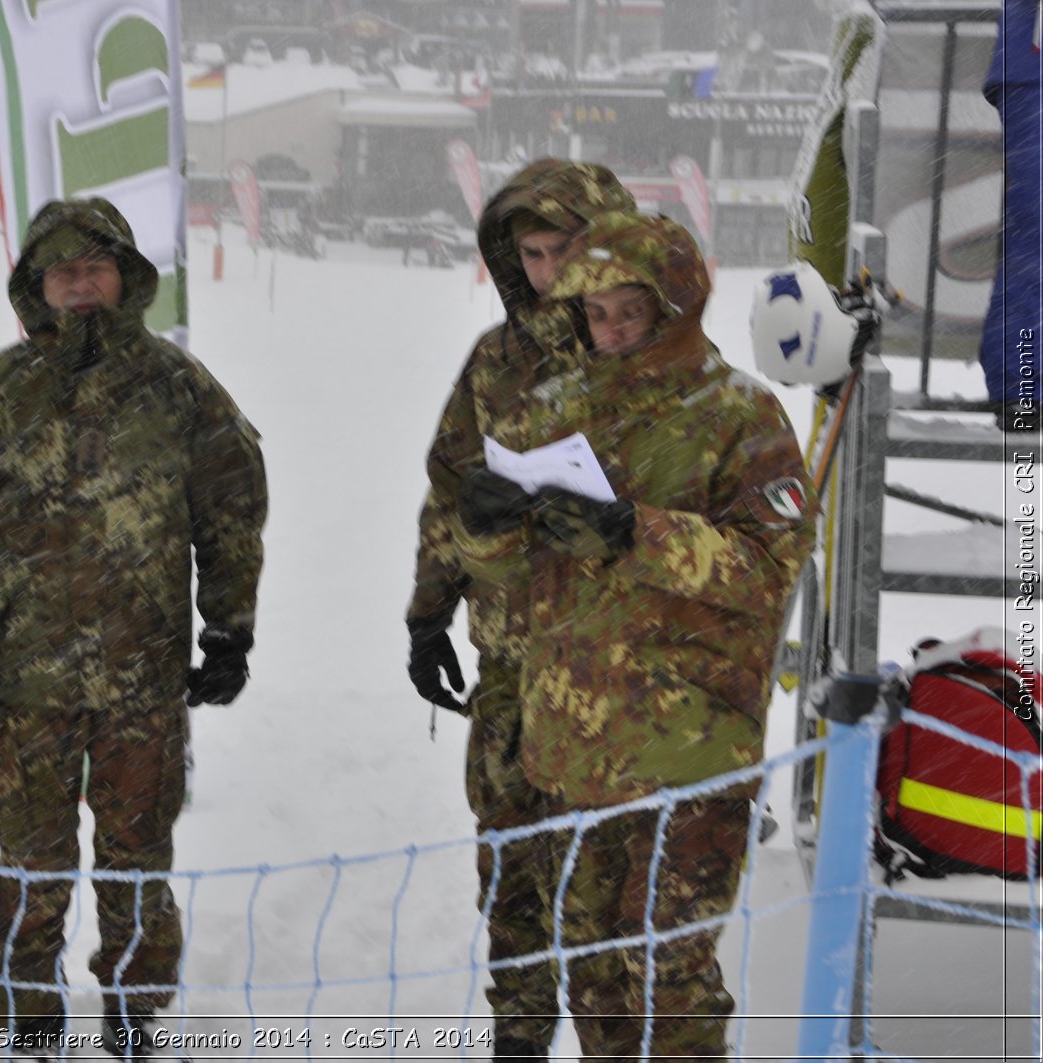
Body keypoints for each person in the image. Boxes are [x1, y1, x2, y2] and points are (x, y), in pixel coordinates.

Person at [0, 197, 267, 1058]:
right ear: (37, 285)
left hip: (143, 677)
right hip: (24, 678)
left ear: (124, 277)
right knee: (31, 857)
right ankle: (28, 1016)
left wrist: (229, 630)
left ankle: (136, 1010)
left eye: (94, 267)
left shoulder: (177, 387)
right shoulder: (1, 390)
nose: (79, 284)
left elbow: (231, 510)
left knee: (138, 856)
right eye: (61, 271)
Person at [522, 212, 814, 1060]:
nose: (609, 330)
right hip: (576, 748)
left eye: (629, 311)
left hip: (689, 746)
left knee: (670, 972)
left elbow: (769, 567)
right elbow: (515, 569)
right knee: (592, 970)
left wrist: (634, 533)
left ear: (675, 306)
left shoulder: (742, 417)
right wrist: (486, 526)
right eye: (594, 312)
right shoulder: (556, 410)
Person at [405, 157, 635, 1062]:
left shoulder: (647, 352)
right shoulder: (496, 361)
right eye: (531, 254)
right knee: (513, 875)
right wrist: (430, 611)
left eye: (563, 248)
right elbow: (448, 488)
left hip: (621, 671)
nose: (546, 272)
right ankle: (520, 1041)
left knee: (612, 892)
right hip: (510, 660)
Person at [980, 0, 1041, 432]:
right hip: (1033, 66)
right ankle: (1019, 387)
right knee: (1031, 240)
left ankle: (1020, 386)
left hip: (1029, 63)